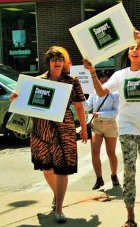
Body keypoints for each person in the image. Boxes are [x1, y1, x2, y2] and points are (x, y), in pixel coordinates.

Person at [83, 30, 140, 227]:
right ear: (126, 54)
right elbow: (101, 91)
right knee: (129, 171)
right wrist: (92, 71)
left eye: (137, 48)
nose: (134, 51)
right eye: (131, 48)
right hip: (127, 128)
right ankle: (130, 214)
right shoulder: (120, 75)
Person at [10, 46, 88, 224]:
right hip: (41, 128)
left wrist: (83, 128)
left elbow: (78, 106)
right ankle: (57, 195)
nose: (57, 62)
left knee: (62, 169)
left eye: (60, 59)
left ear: (64, 62)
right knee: (47, 169)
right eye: (54, 60)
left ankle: (59, 209)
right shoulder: (37, 81)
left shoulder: (72, 81)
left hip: (64, 129)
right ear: (48, 63)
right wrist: (15, 97)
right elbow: (23, 102)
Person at [83, 70, 120, 190]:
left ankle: (114, 175)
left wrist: (100, 114)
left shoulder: (115, 93)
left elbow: (115, 112)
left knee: (111, 152)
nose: (103, 81)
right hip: (97, 124)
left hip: (110, 124)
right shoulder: (94, 92)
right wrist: (80, 97)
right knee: (95, 152)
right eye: (101, 79)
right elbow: (88, 107)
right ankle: (99, 178)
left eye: (106, 79)